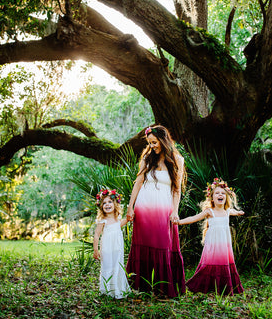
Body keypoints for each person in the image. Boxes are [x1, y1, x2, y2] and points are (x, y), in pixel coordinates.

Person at [126, 124, 186, 297]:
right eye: (149, 143)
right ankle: (141, 286)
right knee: (143, 244)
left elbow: (177, 189)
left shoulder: (177, 160)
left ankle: (162, 288)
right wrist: (130, 207)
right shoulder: (147, 158)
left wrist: (175, 211)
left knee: (162, 245)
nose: (152, 146)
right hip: (143, 208)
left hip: (164, 209)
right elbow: (138, 183)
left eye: (154, 142)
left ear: (163, 140)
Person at [178, 178, 244, 295]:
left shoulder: (227, 211)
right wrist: (179, 222)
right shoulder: (209, 211)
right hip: (213, 244)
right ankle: (205, 285)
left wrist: (238, 213)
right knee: (210, 263)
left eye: (223, 193)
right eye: (217, 193)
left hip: (224, 245)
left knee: (224, 262)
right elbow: (193, 218)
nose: (220, 195)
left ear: (226, 197)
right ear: (212, 198)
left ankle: (223, 287)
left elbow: (233, 211)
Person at [93, 189, 130, 299]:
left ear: (115, 204)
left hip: (117, 248)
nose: (107, 205)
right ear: (101, 207)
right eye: (104, 203)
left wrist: (129, 216)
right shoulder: (102, 221)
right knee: (108, 265)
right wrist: (96, 250)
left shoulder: (117, 219)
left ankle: (118, 289)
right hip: (107, 249)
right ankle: (107, 289)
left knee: (117, 265)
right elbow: (96, 235)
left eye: (109, 202)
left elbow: (124, 222)